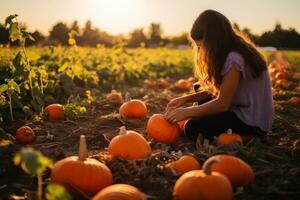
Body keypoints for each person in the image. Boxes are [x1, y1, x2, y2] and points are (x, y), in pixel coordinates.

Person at [164, 9, 274, 142]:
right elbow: (219, 89)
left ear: (213, 41)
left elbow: (223, 104)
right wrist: (186, 99)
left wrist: (185, 112)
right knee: (199, 89)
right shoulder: (233, 50)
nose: (201, 50)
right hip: (241, 108)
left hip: (251, 121)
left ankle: (248, 138)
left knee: (192, 128)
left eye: (201, 45)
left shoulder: (234, 59)